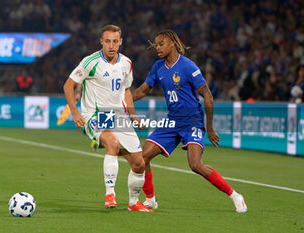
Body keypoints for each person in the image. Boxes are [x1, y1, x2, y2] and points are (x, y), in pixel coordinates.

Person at [132, 29, 247, 213]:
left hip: (192, 119)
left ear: (173, 44)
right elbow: (142, 91)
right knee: (142, 157)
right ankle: (150, 199)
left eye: (161, 44)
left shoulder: (188, 66)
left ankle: (234, 195)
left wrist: (209, 128)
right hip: (172, 120)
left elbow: (208, 96)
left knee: (195, 165)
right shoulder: (158, 67)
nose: (157, 48)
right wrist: (124, 100)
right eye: (156, 45)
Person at [63, 24, 152, 212]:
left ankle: (133, 203)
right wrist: (75, 112)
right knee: (112, 143)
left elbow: (126, 90)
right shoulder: (90, 62)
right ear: (101, 42)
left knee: (139, 163)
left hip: (118, 115)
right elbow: (68, 85)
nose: (111, 45)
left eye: (115, 41)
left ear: (120, 42)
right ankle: (110, 194)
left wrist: (133, 116)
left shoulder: (126, 63)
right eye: (107, 41)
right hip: (94, 114)